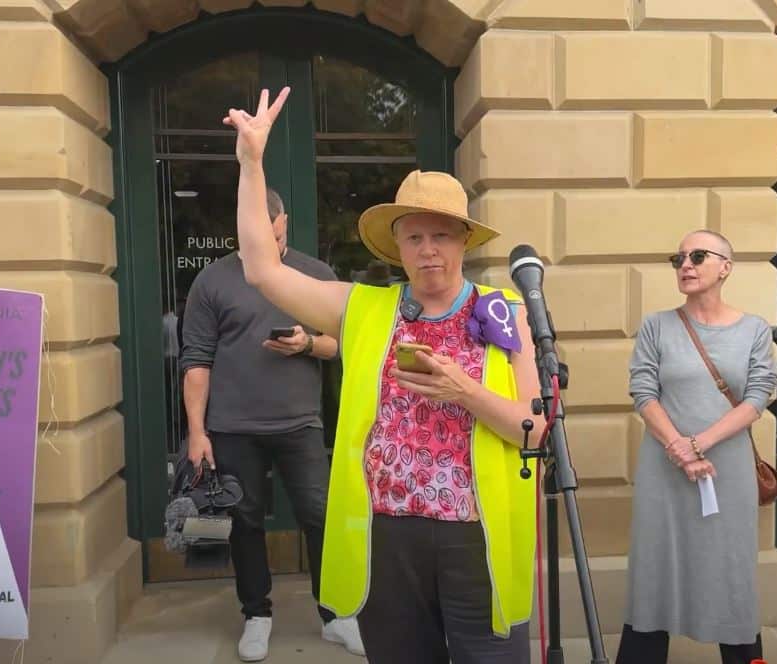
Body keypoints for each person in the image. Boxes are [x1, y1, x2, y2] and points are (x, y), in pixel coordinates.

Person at [221, 87, 540, 663]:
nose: (428, 250)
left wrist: (462, 391)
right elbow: (261, 268)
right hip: (387, 536)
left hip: (478, 538)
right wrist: (251, 163)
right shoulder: (365, 309)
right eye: (413, 237)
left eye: (441, 235)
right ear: (396, 245)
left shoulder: (505, 312)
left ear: (464, 239)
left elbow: (533, 430)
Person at [179, 187, 362, 661]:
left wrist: (306, 344)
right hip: (233, 426)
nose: (263, 235)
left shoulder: (315, 275)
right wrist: (197, 432)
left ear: (284, 222)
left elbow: (342, 345)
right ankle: (256, 615)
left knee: (322, 517)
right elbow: (196, 361)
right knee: (244, 521)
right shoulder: (212, 281)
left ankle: (337, 615)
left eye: (270, 227)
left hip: (299, 423)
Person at [616, 230, 777, 664]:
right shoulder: (656, 325)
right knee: (655, 567)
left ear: (725, 266)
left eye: (698, 255)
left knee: (730, 569)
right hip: (663, 469)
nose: (685, 264)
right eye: (679, 258)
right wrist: (677, 447)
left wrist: (699, 444)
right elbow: (643, 391)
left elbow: (758, 396)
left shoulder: (754, 330)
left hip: (727, 470)